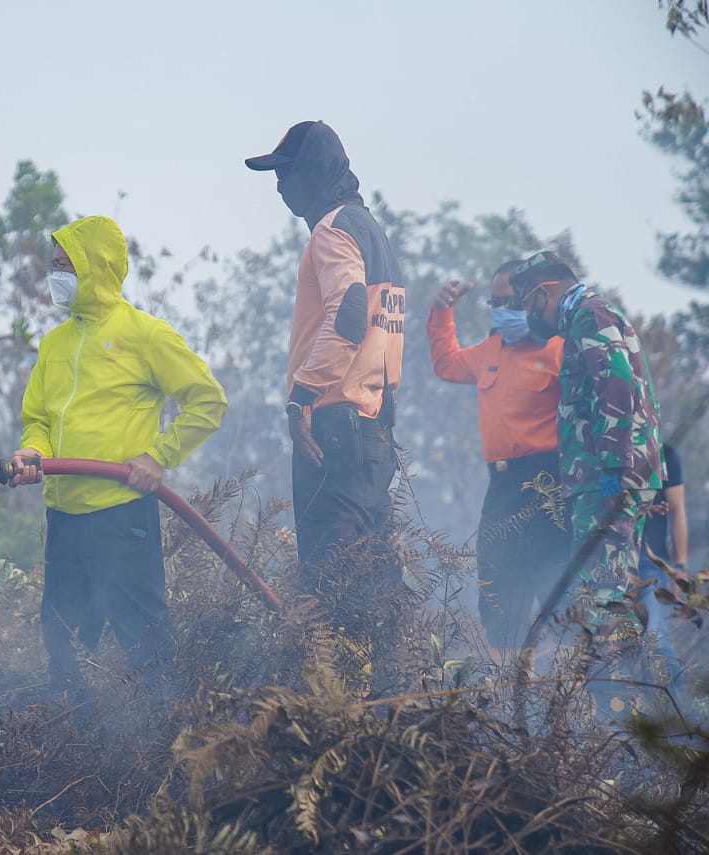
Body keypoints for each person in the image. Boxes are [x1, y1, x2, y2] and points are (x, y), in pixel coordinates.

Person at [6, 214, 227, 701]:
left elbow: (208, 401)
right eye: (55, 264)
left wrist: (158, 455)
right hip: (64, 519)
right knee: (62, 642)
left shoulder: (145, 335)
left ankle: (165, 739)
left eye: (68, 264)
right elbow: (39, 419)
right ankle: (75, 744)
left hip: (122, 517)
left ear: (97, 269)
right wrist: (32, 452)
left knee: (144, 641)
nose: (56, 274)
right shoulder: (54, 344)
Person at [245, 120, 406, 693]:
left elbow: (351, 310)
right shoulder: (373, 232)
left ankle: (336, 712)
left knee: (327, 585)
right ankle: (395, 695)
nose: (280, 187)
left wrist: (301, 397)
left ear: (313, 175)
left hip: (331, 430)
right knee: (373, 573)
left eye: (285, 173)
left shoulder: (332, 231)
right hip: (373, 430)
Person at [510, 250, 663, 717]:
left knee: (606, 595)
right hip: (601, 481)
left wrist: (616, 471)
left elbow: (613, 386)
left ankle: (621, 711)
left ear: (543, 293)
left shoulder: (587, 314)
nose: (532, 319)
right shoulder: (593, 314)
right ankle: (613, 707)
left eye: (529, 307)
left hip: (606, 482)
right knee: (600, 592)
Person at [426, 263, 570, 652]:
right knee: (497, 582)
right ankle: (507, 682)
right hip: (503, 487)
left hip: (549, 484)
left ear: (534, 300)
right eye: (497, 302)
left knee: (557, 586)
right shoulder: (489, 350)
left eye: (513, 302)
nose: (504, 311)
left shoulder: (559, 349)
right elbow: (447, 363)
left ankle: (576, 685)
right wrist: (442, 311)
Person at [637, 441, 689, 690]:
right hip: (610, 561)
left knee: (655, 638)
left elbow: (677, 510)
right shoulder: (606, 450)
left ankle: (683, 714)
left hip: (650, 564)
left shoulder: (665, 453)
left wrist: (679, 566)